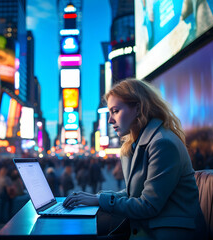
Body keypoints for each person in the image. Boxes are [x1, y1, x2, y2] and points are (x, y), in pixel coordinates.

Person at [63, 79, 204, 239]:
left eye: (115, 111)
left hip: (167, 233)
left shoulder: (162, 144)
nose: (110, 120)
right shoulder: (143, 142)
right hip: (150, 226)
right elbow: (136, 194)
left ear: (138, 108)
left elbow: (148, 205)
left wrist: (101, 201)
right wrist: (97, 198)